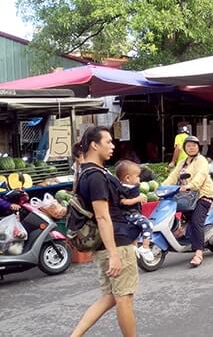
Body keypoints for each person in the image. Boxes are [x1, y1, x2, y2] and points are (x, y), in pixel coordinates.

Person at [71, 126, 138, 337]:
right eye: (108, 141)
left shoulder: (87, 172)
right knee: (124, 299)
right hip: (115, 242)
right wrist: (114, 255)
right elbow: (102, 216)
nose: (112, 145)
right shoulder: (96, 177)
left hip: (104, 243)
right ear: (94, 144)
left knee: (110, 297)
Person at [162, 136, 213, 268]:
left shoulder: (201, 160)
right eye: (188, 146)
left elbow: (201, 176)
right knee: (171, 209)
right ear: (184, 148)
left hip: (203, 195)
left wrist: (191, 185)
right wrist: (162, 187)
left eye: (194, 145)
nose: (191, 148)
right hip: (187, 197)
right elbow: (172, 176)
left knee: (196, 221)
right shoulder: (182, 163)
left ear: (198, 147)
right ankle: (180, 231)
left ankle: (198, 253)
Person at [115, 160, 153, 262]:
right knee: (147, 224)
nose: (139, 178)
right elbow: (123, 202)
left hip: (135, 212)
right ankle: (145, 247)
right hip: (128, 214)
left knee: (136, 230)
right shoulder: (122, 189)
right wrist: (137, 199)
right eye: (137, 176)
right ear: (127, 178)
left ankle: (134, 246)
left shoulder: (134, 186)